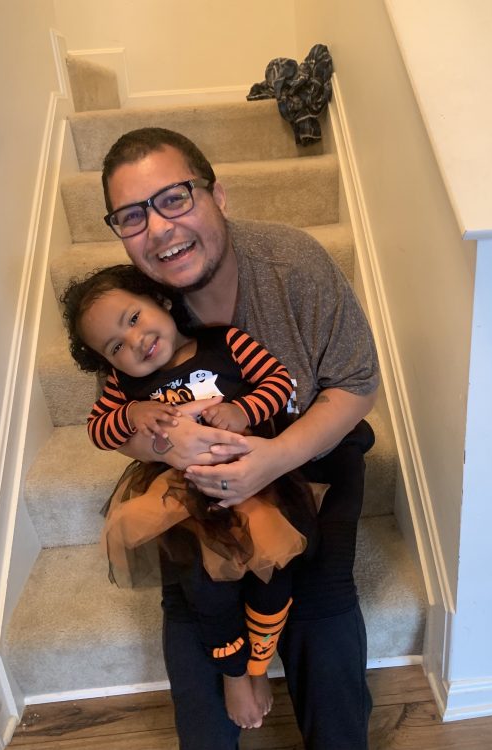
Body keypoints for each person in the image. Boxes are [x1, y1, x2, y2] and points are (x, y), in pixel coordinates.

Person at [99, 126, 379, 749]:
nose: (160, 229)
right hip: (192, 478)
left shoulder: (293, 264)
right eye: (132, 216)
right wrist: (171, 445)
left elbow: (357, 382)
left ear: (217, 194)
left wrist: (272, 458)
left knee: (321, 602)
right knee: (192, 598)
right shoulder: (132, 307)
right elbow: (119, 423)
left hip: (311, 449)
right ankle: (229, 685)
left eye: (175, 198)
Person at [61, 263, 326, 729]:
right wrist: (134, 413)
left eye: (134, 318)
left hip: (259, 484)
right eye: (116, 347)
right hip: (185, 499)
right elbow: (98, 431)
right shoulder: (125, 389)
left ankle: (260, 665)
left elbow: (279, 381)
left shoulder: (226, 343)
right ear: (110, 364)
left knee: (274, 578)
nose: (135, 341)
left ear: (160, 301)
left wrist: (243, 409)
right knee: (207, 591)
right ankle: (233, 672)